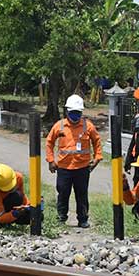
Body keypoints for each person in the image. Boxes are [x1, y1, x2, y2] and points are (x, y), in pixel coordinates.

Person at [46, 94, 103, 228]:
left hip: (82, 168)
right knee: (63, 193)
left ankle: (83, 219)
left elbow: (97, 141)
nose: (75, 116)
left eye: (78, 113)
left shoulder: (87, 126)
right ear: (67, 111)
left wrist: (97, 158)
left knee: (82, 195)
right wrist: (50, 160)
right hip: (64, 168)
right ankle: (61, 217)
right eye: (73, 113)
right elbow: (49, 142)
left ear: (81, 112)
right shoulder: (59, 126)